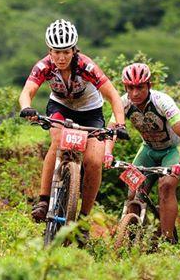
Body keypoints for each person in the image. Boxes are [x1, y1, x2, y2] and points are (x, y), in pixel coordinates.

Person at [18, 19, 128, 223]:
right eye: (56, 52)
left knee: (94, 161)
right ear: (49, 50)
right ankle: (43, 200)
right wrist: (27, 108)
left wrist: (120, 125)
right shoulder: (44, 66)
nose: (61, 57)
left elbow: (113, 95)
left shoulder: (86, 66)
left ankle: (84, 218)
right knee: (58, 139)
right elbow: (27, 91)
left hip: (90, 112)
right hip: (60, 107)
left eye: (66, 52)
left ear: (74, 50)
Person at [104, 63, 180, 243]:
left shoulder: (162, 102)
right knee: (133, 190)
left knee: (166, 186)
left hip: (170, 151)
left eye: (140, 87)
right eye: (130, 88)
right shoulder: (123, 103)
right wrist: (107, 153)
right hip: (148, 150)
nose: (135, 93)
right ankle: (130, 236)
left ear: (149, 86)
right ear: (125, 87)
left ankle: (167, 241)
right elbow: (110, 131)